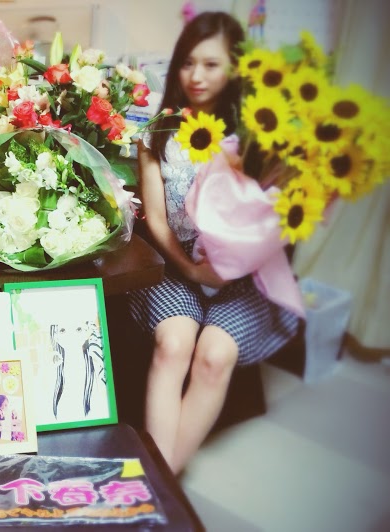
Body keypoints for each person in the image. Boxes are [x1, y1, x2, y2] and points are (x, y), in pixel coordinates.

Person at [128, 11, 299, 474]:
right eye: (187, 63)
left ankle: (160, 481)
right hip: (176, 266)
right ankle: (164, 486)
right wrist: (190, 268)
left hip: (242, 277)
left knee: (214, 355)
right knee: (174, 345)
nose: (196, 76)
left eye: (211, 64)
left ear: (235, 69)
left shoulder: (260, 136)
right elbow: (157, 219)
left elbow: (275, 216)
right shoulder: (158, 131)